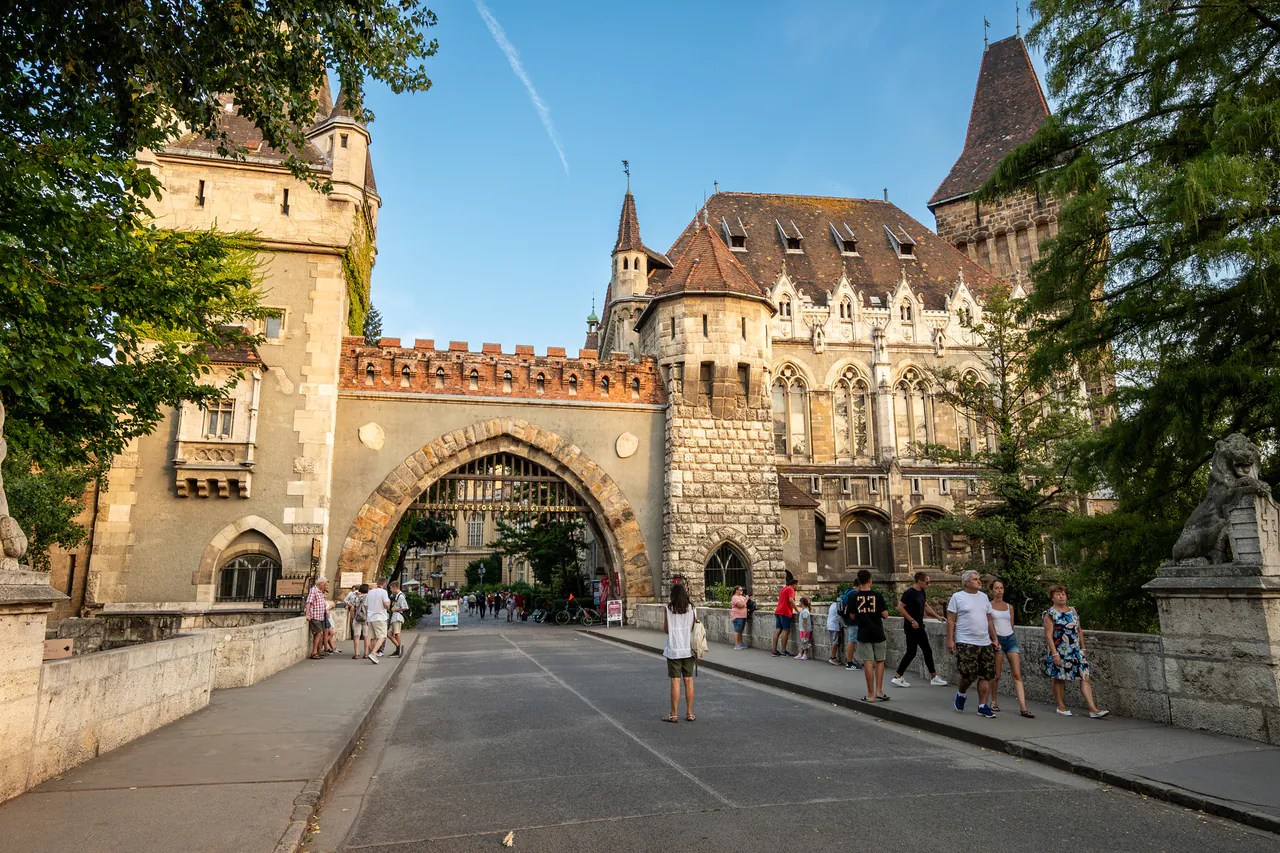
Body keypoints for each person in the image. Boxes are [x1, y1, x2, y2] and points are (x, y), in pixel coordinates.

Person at [1043, 585, 1109, 718]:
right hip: (1060, 649)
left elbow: (1079, 630)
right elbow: (1049, 635)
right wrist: (1055, 653)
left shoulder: (1073, 611)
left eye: (1063, 594)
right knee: (1059, 678)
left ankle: (1093, 709)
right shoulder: (1049, 614)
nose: (1061, 596)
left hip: (1076, 649)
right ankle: (1061, 706)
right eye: (1058, 594)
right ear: (1052, 598)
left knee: (1085, 676)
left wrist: (1083, 648)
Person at [946, 570, 998, 718]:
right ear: (966, 583)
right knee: (968, 674)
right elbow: (950, 620)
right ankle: (961, 693)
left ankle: (982, 706)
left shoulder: (984, 597)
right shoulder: (958, 597)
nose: (979, 581)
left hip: (984, 641)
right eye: (975, 579)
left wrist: (994, 638)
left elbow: (989, 619)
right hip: (966, 641)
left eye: (979, 579)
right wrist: (950, 640)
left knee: (986, 674)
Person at [891, 572, 948, 688]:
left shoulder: (921, 592)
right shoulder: (909, 593)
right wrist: (912, 620)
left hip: (919, 625)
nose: (928, 584)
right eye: (927, 582)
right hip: (912, 627)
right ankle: (932, 677)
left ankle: (898, 676)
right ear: (920, 581)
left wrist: (937, 616)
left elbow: (926, 606)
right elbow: (900, 607)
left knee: (917, 651)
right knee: (921, 651)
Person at [990, 579, 1034, 717]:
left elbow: (1012, 625)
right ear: (991, 590)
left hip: (1010, 639)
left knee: (1017, 674)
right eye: (996, 588)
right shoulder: (988, 606)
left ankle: (1023, 707)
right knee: (996, 675)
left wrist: (1013, 638)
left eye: (1001, 588)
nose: (999, 590)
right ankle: (994, 701)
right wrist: (994, 641)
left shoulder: (1009, 607)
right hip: (998, 641)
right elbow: (988, 625)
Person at [850, 570, 890, 701]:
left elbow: (852, 616)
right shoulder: (877, 595)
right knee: (880, 660)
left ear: (859, 581)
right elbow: (885, 615)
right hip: (878, 631)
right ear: (870, 580)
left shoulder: (854, 597)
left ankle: (870, 694)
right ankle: (879, 690)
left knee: (868, 661)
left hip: (863, 632)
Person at [662, 582, 697, 722]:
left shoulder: (668, 609)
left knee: (675, 680)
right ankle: (689, 713)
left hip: (674, 648)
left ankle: (674, 714)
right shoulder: (691, 608)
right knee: (688, 680)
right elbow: (694, 627)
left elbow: (666, 630)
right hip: (688, 648)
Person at [364, 580, 392, 664]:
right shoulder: (383, 592)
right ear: (384, 584)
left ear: (377, 584)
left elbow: (366, 605)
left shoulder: (370, 592)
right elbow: (386, 605)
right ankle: (373, 654)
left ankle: (374, 654)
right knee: (382, 636)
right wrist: (387, 606)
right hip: (380, 616)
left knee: (373, 637)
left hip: (370, 617)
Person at [771, 579, 798, 657]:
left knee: (778, 630)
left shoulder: (783, 589)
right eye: (797, 585)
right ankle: (783, 651)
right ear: (795, 584)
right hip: (785, 612)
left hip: (778, 611)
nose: (797, 587)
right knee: (786, 630)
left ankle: (774, 650)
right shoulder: (791, 589)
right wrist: (797, 610)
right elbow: (791, 600)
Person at [305, 578, 330, 659]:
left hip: (320, 616)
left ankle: (318, 651)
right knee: (319, 633)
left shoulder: (320, 591)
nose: (325, 586)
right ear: (320, 583)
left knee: (321, 633)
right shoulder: (314, 590)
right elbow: (309, 602)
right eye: (324, 584)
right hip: (315, 615)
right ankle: (314, 652)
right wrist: (307, 614)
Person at [839, 587, 861, 671]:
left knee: (851, 639)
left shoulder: (848, 590)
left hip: (846, 618)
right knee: (852, 640)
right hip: (853, 620)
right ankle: (849, 662)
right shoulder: (854, 594)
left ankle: (849, 661)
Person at [346, 584, 369, 659]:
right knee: (366, 636)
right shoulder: (369, 597)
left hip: (357, 617)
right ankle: (366, 653)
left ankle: (356, 653)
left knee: (356, 636)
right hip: (366, 618)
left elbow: (352, 606)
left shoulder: (356, 597)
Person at [387, 581, 408, 657]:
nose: (391, 590)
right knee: (389, 634)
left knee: (396, 633)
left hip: (398, 617)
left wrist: (395, 609)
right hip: (395, 617)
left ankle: (398, 650)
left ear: (395, 588)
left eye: (391, 588)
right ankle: (398, 647)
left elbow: (405, 607)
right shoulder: (398, 596)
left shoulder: (401, 596)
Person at [826, 591, 844, 666]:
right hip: (834, 626)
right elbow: (842, 615)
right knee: (835, 642)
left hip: (830, 625)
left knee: (832, 641)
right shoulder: (838, 606)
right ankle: (832, 657)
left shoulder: (832, 604)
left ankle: (833, 657)